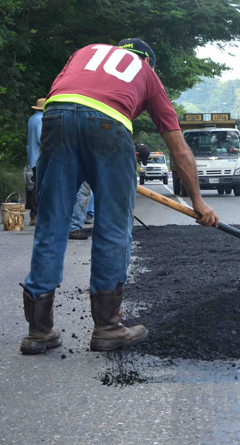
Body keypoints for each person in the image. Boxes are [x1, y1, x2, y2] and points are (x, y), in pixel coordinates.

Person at [20, 38, 218, 355]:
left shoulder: (85, 51)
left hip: (54, 117)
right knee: (112, 227)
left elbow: (68, 100)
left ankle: (38, 332)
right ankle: (108, 328)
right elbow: (178, 149)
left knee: (51, 223)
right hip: (107, 124)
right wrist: (197, 201)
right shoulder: (146, 73)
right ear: (148, 62)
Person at [27, 98, 46, 226]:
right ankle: (35, 213)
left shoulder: (32, 119)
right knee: (38, 185)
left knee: (37, 184)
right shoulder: (40, 120)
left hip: (33, 156)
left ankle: (36, 213)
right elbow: (41, 138)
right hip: (38, 156)